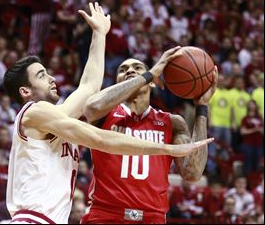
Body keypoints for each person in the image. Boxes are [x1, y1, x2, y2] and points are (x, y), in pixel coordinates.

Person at [3, 2, 212, 224]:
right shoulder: (35, 112)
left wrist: (99, 33)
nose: (52, 78)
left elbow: (89, 86)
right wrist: (165, 148)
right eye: (42, 75)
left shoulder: (58, 116)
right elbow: (99, 137)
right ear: (25, 91)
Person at [80, 53, 218, 223]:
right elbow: (91, 108)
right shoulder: (105, 114)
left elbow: (192, 173)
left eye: (137, 68)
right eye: (123, 70)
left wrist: (202, 108)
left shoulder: (172, 122)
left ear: (152, 83)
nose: (129, 70)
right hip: (106, 215)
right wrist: (149, 74)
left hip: (152, 218)